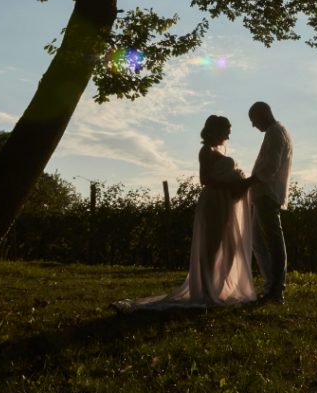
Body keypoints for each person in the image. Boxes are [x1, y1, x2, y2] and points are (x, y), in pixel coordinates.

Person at [113, 115, 256, 310]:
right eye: (226, 133)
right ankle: (207, 291)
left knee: (230, 245)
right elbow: (205, 179)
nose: (228, 137)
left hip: (226, 201)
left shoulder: (217, 151)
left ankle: (219, 287)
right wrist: (232, 183)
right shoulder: (206, 151)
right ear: (216, 130)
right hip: (214, 201)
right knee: (212, 245)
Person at [246, 101, 293, 304]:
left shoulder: (275, 133)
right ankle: (270, 285)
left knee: (273, 241)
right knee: (257, 240)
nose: (254, 125)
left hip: (267, 193)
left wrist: (248, 181)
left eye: (254, 120)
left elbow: (270, 166)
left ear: (263, 114)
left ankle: (276, 288)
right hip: (262, 194)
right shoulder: (275, 132)